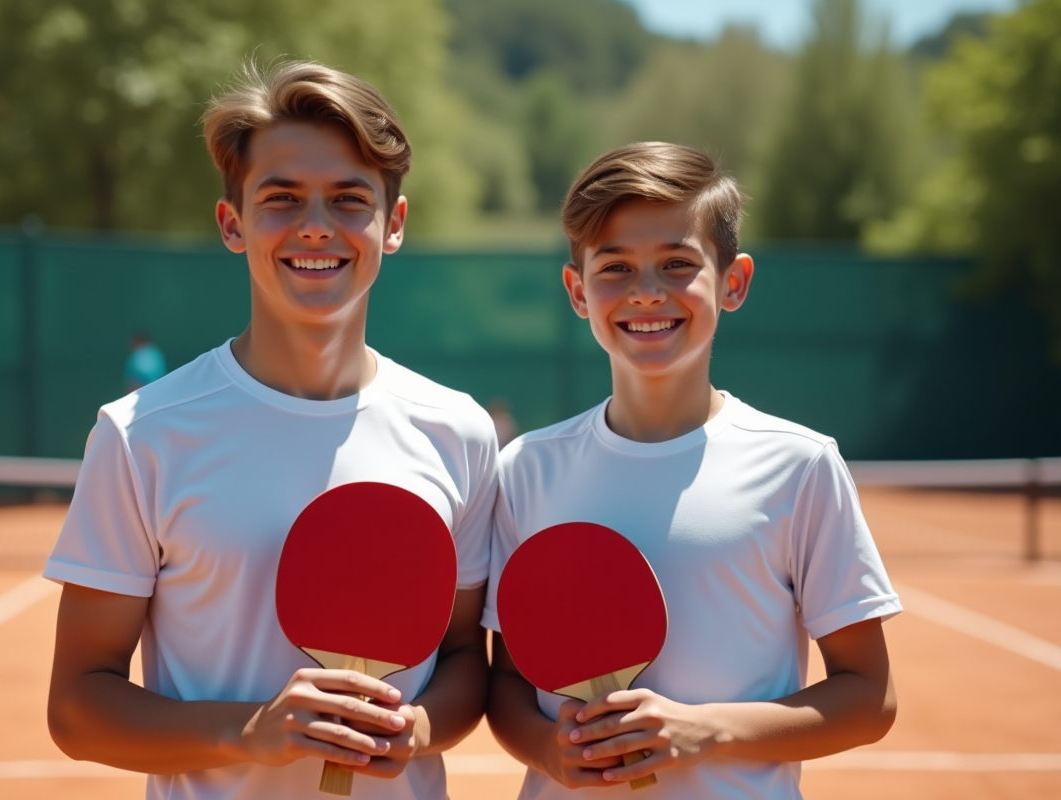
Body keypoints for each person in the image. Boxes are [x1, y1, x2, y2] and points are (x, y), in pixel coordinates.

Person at [45, 61, 498, 800]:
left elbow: (462, 660)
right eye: (281, 198)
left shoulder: (460, 432)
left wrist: (411, 730)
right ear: (234, 223)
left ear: (395, 225)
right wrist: (249, 730)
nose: (315, 225)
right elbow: (77, 705)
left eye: (349, 200)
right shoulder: (141, 435)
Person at [483, 142, 901, 799]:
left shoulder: (800, 466)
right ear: (577, 291)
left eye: (677, 265)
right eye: (615, 268)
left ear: (733, 282)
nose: (646, 293)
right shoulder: (526, 470)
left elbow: (870, 696)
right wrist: (548, 749)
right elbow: (505, 681)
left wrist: (708, 730)